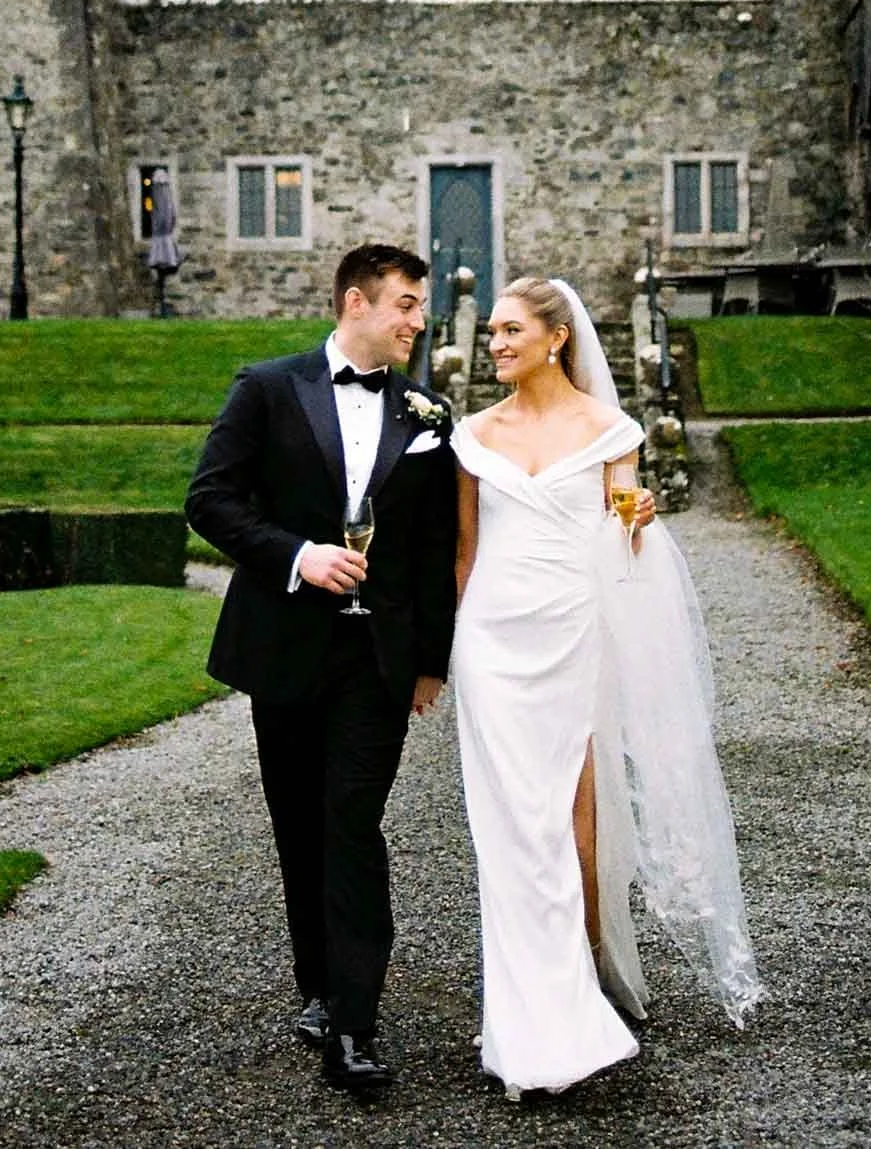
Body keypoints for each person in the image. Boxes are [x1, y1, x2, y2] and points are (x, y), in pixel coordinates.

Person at [451, 275, 763, 1100]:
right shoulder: (471, 434)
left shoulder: (609, 429)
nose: (496, 344)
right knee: (508, 829)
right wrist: (448, 651)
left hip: (572, 633)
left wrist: (639, 527)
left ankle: (577, 982)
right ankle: (525, 1020)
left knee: (569, 826)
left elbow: (624, 549)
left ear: (557, 337)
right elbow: (464, 553)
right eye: (491, 333)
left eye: (511, 329)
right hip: (490, 641)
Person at [185, 243, 457, 1097]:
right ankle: (317, 985)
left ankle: (354, 1023)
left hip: (376, 658)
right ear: (356, 303)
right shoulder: (268, 387)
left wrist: (431, 661)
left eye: (420, 305)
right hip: (287, 644)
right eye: (407, 303)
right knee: (299, 823)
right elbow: (212, 500)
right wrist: (299, 555)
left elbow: (435, 547)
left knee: (351, 821)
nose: (420, 318)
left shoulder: (427, 412)